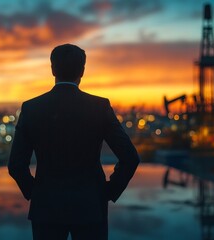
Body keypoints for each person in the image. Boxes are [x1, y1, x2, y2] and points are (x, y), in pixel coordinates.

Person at [8, 44, 140, 240]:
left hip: (46, 207)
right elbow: (130, 158)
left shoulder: (31, 108)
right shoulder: (99, 107)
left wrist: (35, 193)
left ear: (52, 69)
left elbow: (16, 165)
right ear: (82, 71)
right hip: (90, 207)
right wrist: (107, 192)